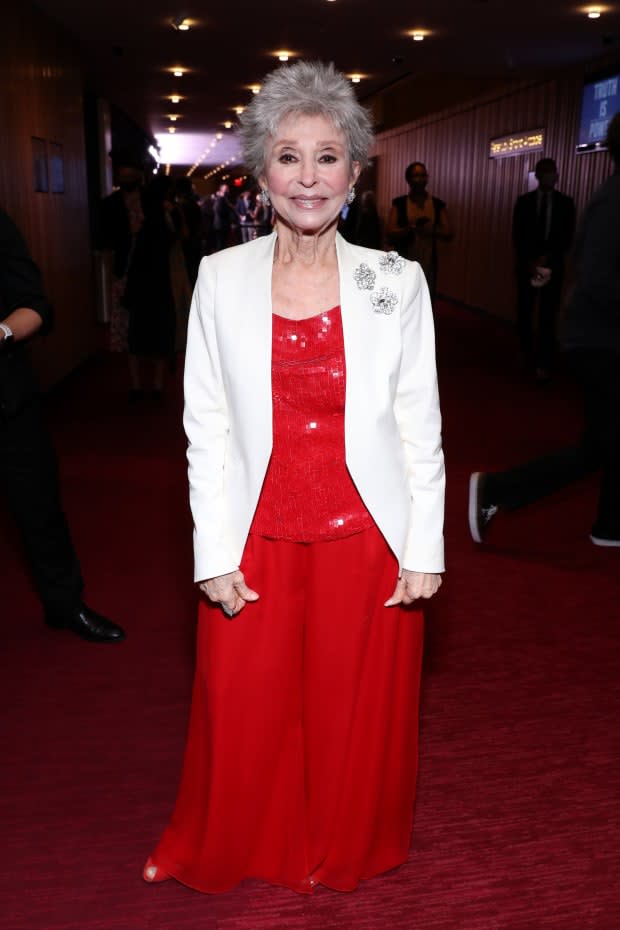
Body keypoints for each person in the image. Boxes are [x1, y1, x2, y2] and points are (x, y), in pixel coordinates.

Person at [143, 60, 445, 894]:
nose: (307, 178)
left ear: (355, 169)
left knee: (355, 712)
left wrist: (425, 547)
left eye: (327, 156)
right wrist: (212, 552)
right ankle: (234, 840)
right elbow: (204, 427)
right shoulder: (220, 278)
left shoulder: (397, 282)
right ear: (259, 169)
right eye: (288, 156)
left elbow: (421, 426)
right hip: (256, 531)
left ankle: (340, 843)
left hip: (368, 535)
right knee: (244, 706)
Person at [469, 114, 620, 549]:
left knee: (608, 438)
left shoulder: (602, 198)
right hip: (602, 342)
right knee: (600, 444)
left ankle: (610, 526)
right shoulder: (615, 201)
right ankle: (497, 489)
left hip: (600, 336)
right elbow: (600, 277)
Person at [0, 209, 125, 642]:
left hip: (7, 400)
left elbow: (35, 308)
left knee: (39, 507)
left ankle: (65, 605)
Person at [512, 158, 575, 381]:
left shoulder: (566, 203)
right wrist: (529, 261)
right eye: (546, 172)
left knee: (549, 313)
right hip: (527, 266)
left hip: (553, 266)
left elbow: (567, 237)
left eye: (553, 172)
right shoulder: (524, 202)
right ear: (538, 176)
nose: (551, 176)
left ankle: (544, 360)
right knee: (525, 311)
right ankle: (525, 354)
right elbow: (517, 236)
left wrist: (547, 258)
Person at [121, 176, 178, 400]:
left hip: (139, 283)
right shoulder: (165, 220)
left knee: (136, 338)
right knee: (159, 336)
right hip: (160, 283)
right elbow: (178, 240)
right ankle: (157, 386)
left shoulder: (140, 221)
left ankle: (136, 386)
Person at [98, 148, 145, 356]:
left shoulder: (149, 200)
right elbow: (105, 237)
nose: (127, 179)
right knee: (123, 311)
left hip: (148, 267)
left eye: (130, 175)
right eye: (123, 175)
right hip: (123, 266)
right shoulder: (110, 204)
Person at [386, 161, 453, 301]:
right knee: (403, 299)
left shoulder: (437, 204)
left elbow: (449, 233)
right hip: (404, 259)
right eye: (416, 175)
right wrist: (410, 229)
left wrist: (430, 231)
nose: (420, 179)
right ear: (408, 179)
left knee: (426, 298)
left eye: (423, 175)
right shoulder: (399, 203)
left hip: (428, 260)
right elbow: (390, 231)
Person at [211, 183, 236, 251]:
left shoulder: (225, 199)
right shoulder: (221, 199)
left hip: (221, 225)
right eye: (226, 189)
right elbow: (219, 211)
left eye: (227, 189)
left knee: (223, 244)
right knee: (221, 245)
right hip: (221, 225)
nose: (228, 190)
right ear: (221, 190)